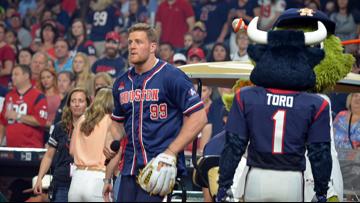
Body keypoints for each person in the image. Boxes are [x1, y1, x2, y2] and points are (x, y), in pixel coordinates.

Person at [103, 23, 207, 202]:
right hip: (129, 169)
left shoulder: (171, 76)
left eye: (138, 42)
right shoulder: (121, 83)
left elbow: (199, 117)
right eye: (129, 42)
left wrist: (170, 152)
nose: (132, 47)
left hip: (159, 169)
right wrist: (110, 140)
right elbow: (117, 123)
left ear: (153, 47)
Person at [33, 88, 90, 202]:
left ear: (88, 105)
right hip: (62, 182)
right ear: (68, 105)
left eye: (81, 101)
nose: (77, 104)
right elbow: (49, 155)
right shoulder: (60, 127)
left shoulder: (93, 127)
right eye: (73, 101)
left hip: (85, 182)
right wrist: (40, 178)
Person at [68, 87, 114, 202]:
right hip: (99, 178)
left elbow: (72, 151)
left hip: (77, 180)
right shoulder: (112, 121)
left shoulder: (82, 119)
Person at [0, 64, 48, 148]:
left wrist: (18, 116)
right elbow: (2, 122)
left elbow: (40, 121)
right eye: (12, 75)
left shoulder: (38, 96)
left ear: (26, 76)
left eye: (16, 74)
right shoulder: (9, 96)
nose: (13, 77)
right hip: (10, 147)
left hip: (31, 148)